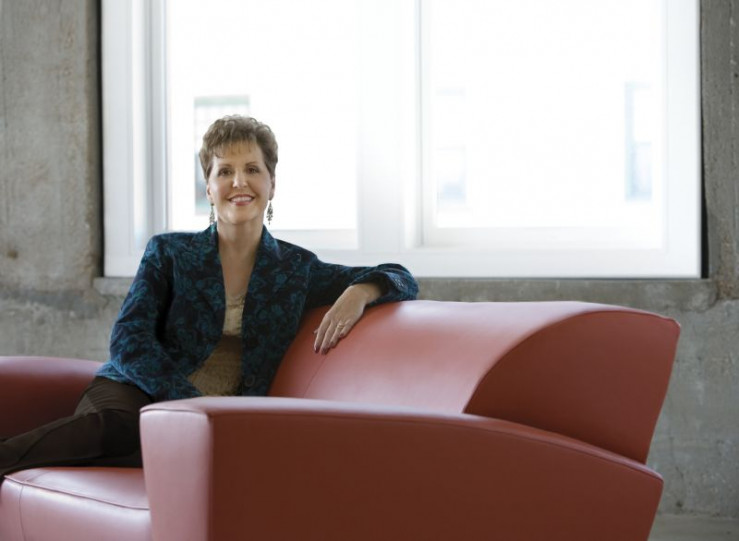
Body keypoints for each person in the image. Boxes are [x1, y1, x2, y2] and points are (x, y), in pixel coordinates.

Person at [0, 115, 418, 477]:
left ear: (272, 184)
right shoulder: (169, 252)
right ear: (209, 188)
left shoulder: (296, 269)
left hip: (220, 422)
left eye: (252, 169)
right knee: (119, 427)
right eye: (225, 171)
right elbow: (128, 341)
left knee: (188, 452)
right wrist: (186, 403)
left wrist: (361, 290)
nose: (239, 182)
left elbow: (401, 277)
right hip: (134, 392)